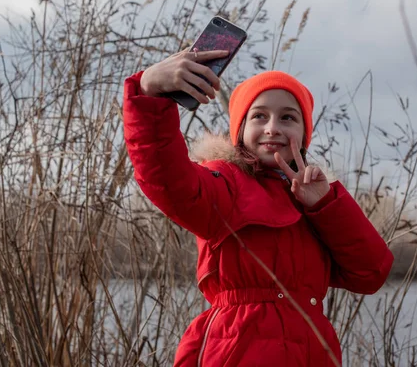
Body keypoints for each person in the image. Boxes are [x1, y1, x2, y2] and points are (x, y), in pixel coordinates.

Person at [123, 49, 394, 367]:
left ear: (304, 134)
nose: (272, 128)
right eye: (259, 116)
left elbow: (370, 273)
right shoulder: (224, 183)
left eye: (288, 117)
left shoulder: (313, 200)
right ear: (239, 130)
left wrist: (324, 205)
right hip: (234, 350)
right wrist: (149, 93)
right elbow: (167, 182)